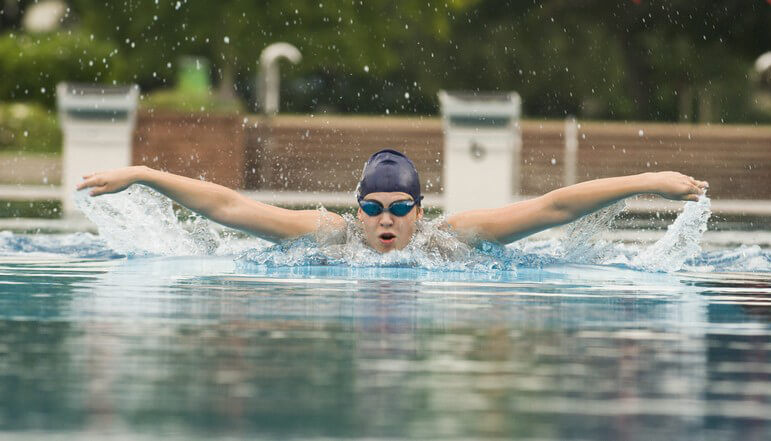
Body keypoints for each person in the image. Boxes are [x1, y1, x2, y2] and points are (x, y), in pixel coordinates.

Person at [77, 149, 709, 253]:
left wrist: (645, 180)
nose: (385, 219)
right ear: (356, 210)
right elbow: (228, 207)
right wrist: (143, 174)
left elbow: (553, 207)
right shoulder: (327, 237)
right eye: (373, 208)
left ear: (420, 212)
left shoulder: (455, 237)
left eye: (398, 208)